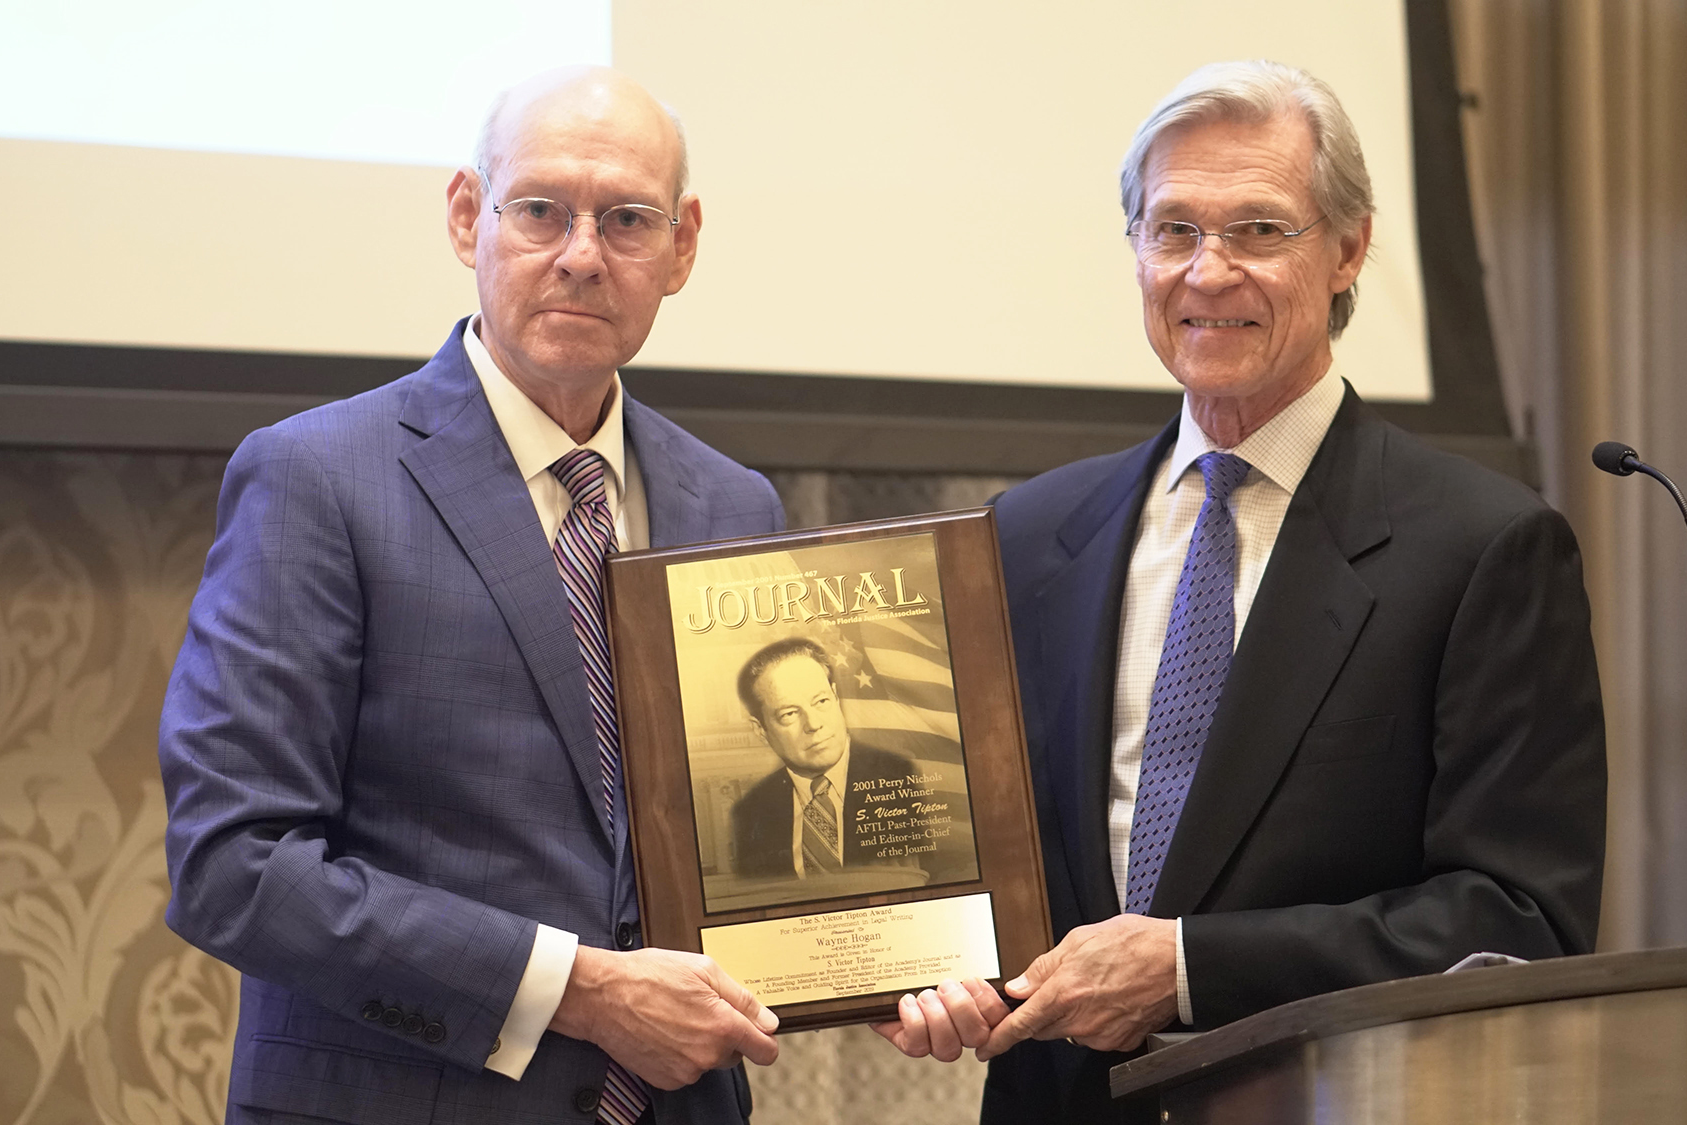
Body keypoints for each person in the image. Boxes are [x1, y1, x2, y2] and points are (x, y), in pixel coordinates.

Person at [875, 59, 1606, 1123]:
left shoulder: (1482, 548)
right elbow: (987, 872)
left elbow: (1513, 920)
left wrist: (1183, 967)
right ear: (1134, 251)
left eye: (1258, 231)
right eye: (1172, 230)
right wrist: (934, 973)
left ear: (1347, 248)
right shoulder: (1029, 537)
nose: (1207, 272)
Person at [158, 67, 787, 1124]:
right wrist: (577, 990)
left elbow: (759, 850)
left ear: (680, 247)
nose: (581, 256)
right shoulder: (318, 478)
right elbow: (235, 865)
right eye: (541, 210)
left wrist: (889, 960)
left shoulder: (735, 504)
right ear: (467, 216)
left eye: (626, 220)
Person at [728, 638, 924, 881]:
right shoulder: (751, 812)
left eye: (821, 702)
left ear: (835, 697)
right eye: (789, 714)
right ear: (760, 730)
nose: (814, 724)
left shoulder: (904, 775)